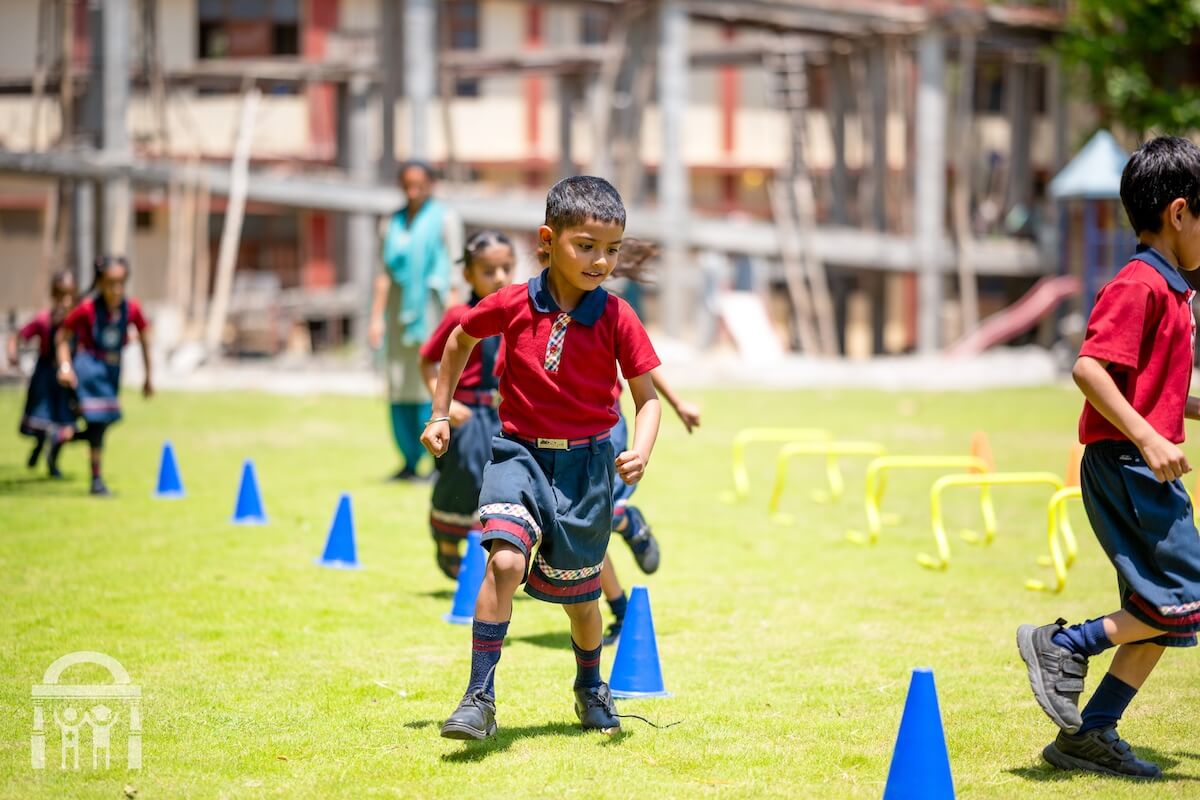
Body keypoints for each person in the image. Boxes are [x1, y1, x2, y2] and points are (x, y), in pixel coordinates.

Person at [422, 176, 662, 740]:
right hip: (518, 455)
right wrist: (440, 412)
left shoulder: (617, 317)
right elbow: (458, 339)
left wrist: (641, 451)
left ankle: (589, 686)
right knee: (502, 561)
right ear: (548, 240)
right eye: (587, 246)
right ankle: (479, 698)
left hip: (587, 470)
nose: (601, 260)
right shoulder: (512, 303)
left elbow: (646, 399)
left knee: (580, 601)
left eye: (612, 249)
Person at [1017, 136, 1200, 780]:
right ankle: (1063, 644)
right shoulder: (1140, 282)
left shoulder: (1173, 290)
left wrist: (1186, 413)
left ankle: (1088, 736)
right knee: (1187, 596)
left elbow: (1154, 389)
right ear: (1180, 213)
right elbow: (1090, 368)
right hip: (1129, 463)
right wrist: (1151, 439)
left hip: (1140, 463)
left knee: (1163, 616)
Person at [419, 230, 514, 579]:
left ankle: (489, 558)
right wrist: (444, 406)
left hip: (504, 417)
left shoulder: (517, 314)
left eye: (507, 268)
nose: (500, 277)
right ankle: (447, 540)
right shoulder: (458, 315)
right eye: (489, 271)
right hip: (466, 417)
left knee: (499, 483)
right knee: (462, 478)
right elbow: (427, 361)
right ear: (469, 274)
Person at [369, 160, 463, 481]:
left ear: (431, 184)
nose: (413, 189)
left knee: (431, 382)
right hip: (398, 315)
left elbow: (455, 268)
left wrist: (454, 313)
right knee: (399, 385)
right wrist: (376, 318)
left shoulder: (445, 219)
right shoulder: (391, 222)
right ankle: (408, 460)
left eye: (419, 183)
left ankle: (436, 461)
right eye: (407, 183)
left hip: (432, 312)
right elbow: (383, 273)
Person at [56, 256, 152, 496]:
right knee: (98, 425)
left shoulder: (132, 309)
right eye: (111, 283)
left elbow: (145, 340)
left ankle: (60, 437)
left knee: (104, 422)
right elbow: (62, 336)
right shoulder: (87, 308)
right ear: (100, 282)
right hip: (88, 370)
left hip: (111, 373)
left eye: (121, 282)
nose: (116, 289)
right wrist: (65, 366)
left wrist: (148, 376)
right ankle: (96, 481)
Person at [7, 270, 79, 477]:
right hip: (45, 379)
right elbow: (18, 336)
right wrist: (13, 354)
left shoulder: (77, 320)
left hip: (66, 379)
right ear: (53, 296)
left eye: (70, 295)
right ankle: (39, 447)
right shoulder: (43, 320)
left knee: (66, 427)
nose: (66, 301)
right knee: (42, 422)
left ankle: (52, 461)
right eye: (61, 295)